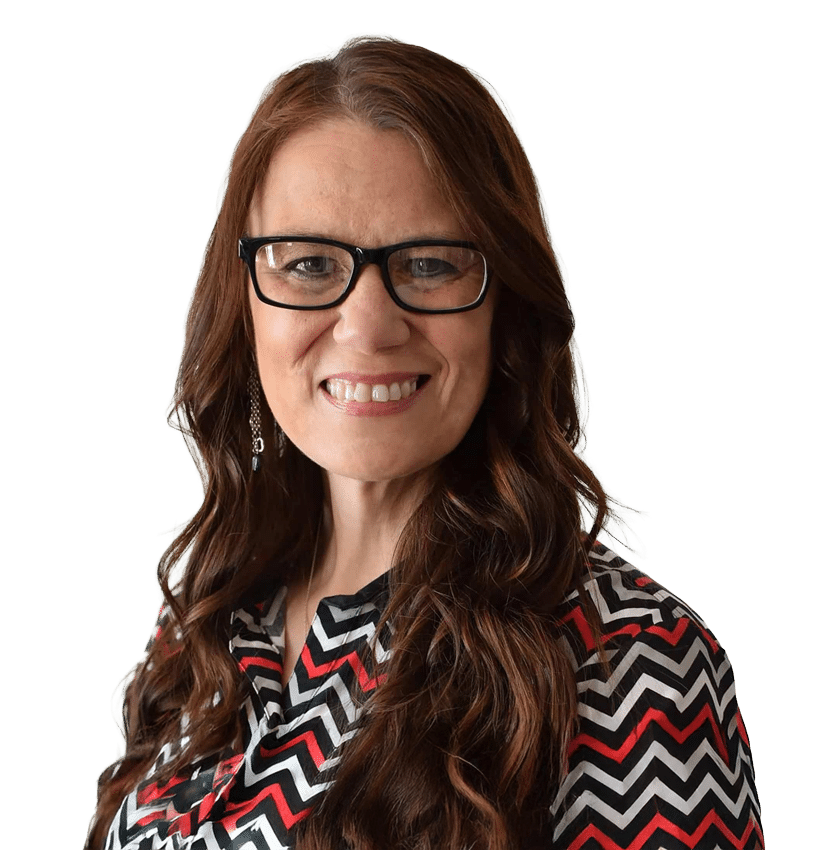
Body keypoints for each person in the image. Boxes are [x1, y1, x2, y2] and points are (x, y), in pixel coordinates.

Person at [85, 33, 764, 850]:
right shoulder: (206, 629)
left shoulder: (631, 663)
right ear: (246, 306)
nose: (368, 326)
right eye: (306, 265)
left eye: (431, 265)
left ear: (504, 309)